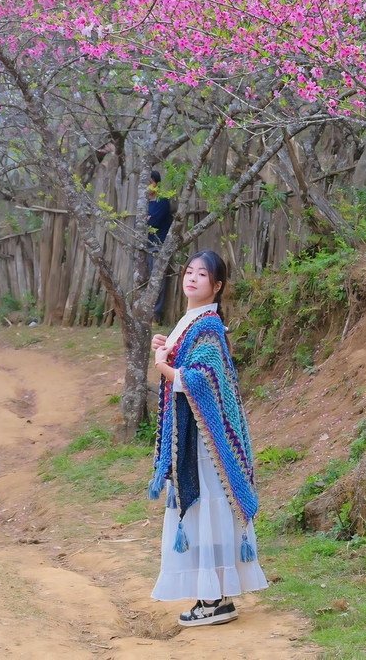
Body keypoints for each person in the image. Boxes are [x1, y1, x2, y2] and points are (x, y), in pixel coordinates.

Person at [148, 250, 266, 627]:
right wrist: (168, 350)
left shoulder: (208, 326)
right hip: (196, 436)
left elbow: (197, 379)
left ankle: (214, 600)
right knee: (203, 508)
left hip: (205, 442)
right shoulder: (191, 322)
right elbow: (190, 367)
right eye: (189, 271)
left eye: (203, 274)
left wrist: (165, 366)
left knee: (206, 505)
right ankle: (214, 597)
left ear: (216, 286)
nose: (193, 277)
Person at [146, 170, 174, 324]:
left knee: (158, 279)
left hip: (159, 245)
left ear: (156, 183)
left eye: (149, 182)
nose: (147, 187)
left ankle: (155, 315)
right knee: (148, 279)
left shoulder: (162, 201)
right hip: (147, 246)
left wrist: (148, 219)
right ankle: (148, 313)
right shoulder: (144, 203)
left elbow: (152, 222)